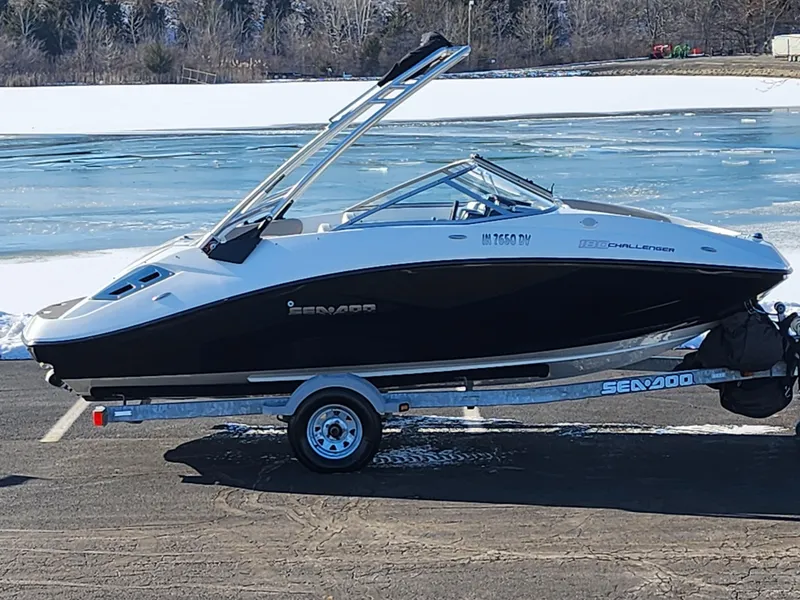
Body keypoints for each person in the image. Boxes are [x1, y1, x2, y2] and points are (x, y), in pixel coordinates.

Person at [377, 32, 454, 87]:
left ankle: (385, 80)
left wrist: (383, 81)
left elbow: (403, 64)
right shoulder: (433, 45)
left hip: (407, 67)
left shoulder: (430, 46)